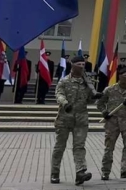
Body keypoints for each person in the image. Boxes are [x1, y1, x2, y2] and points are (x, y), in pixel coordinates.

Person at [51, 56, 98, 185]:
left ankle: (80, 172)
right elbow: (59, 94)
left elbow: (89, 100)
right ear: (72, 65)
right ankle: (55, 172)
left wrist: (95, 96)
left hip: (81, 120)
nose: (82, 66)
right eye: (79, 64)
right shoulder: (64, 81)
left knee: (79, 147)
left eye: (83, 64)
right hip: (64, 119)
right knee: (60, 147)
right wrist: (65, 103)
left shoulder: (87, 83)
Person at [97, 65, 126, 180]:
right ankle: (105, 171)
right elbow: (99, 103)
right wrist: (104, 112)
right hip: (112, 122)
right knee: (109, 147)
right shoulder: (110, 89)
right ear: (120, 76)